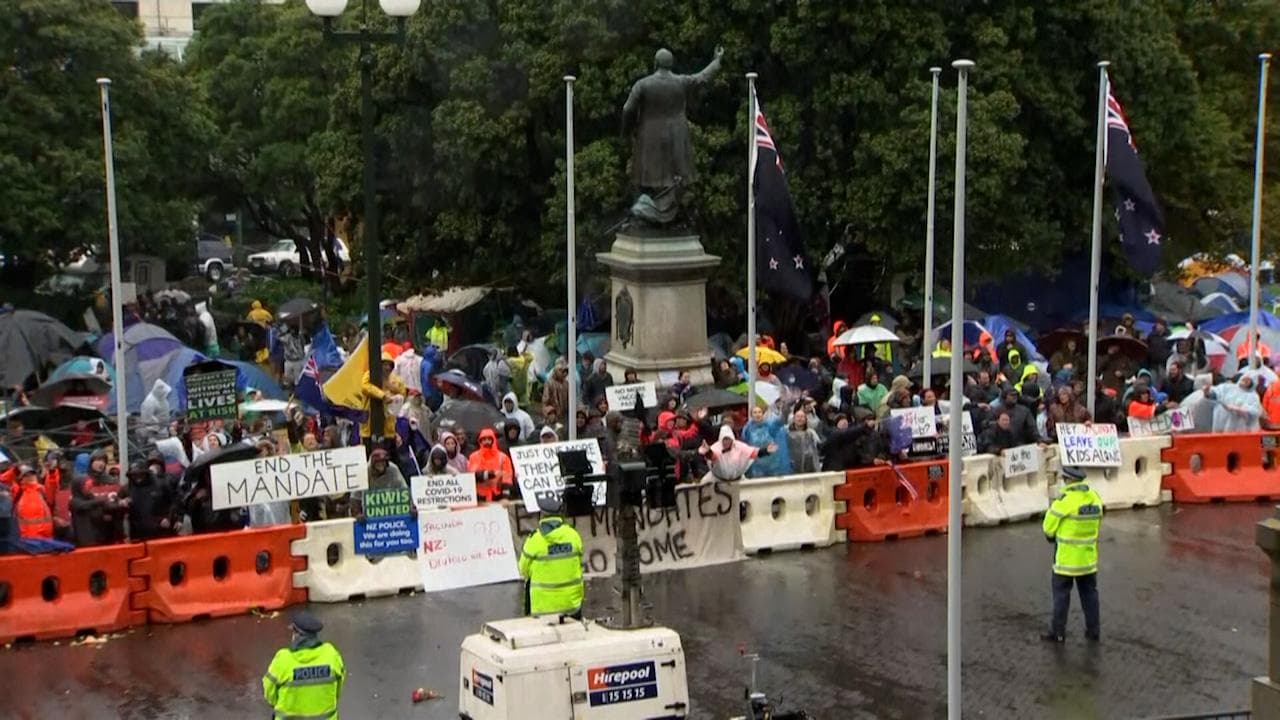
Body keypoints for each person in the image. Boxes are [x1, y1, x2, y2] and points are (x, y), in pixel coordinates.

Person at [1041, 466, 1103, 643]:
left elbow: (1048, 528)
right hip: (1088, 560)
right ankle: (1093, 631)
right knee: (1090, 596)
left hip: (1066, 562)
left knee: (1061, 597)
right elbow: (1098, 523)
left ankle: (1058, 633)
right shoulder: (1095, 498)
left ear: (1067, 480)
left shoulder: (1064, 501)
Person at [263, 611, 346, 720]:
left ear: (296, 634)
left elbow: (270, 695)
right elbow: (338, 689)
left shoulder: (283, 660)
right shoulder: (331, 655)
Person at [518, 495, 584, 618]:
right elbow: (579, 562)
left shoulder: (534, 540)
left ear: (542, 516)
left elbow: (523, 570)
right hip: (571, 606)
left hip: (542, 609)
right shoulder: (573, 536)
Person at [122, 459, 176, 541]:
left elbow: (173, 502)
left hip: (160, 530)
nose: (138, 477)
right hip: (138, 534)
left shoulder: (160, 485)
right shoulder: (126, 489)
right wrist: (122, 504)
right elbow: (117, 507)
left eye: (140, 474)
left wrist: (168, 518)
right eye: (134, 475)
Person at [467, 428, 514, 502]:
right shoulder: (474, 457)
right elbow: (472, 475)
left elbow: (507, 478)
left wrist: (505, 497)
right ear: (480, 441)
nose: (487, 441)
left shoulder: (503, 457)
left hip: (498, 496)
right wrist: (489, 474)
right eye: (484, 439)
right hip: (479, 497)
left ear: (493, 440)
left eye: (489, 439)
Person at [14, 465, 53, 540]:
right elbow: (31, 524)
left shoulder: (40, 491)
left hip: (46, 538)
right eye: (26, 475)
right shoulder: (26, 496)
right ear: (21, 480)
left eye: (32, 474)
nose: (31, 477)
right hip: (34, 540)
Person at [787, 409, 822, 473]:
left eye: (802, 417)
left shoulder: (810, 433)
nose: (800, 419)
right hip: (792, 467)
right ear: (794, 419)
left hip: (808, 467)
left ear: (806, 420)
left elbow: (815, 449)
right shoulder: (787, 433)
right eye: (798, 416)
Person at [542, 358, 570, 423]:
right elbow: (545, 401)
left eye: (566, 372)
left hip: (565, 416)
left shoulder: (566, 383)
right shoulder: (549, 383)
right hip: (553, 416)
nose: (564, 374)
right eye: (562, 371)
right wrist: (549, 413)